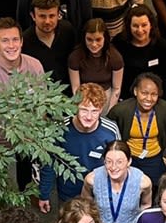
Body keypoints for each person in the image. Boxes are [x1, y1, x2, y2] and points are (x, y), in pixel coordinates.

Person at [38, 84, 121, 213]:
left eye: (94, 111)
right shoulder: (59, 129)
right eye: (84, 110)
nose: (89, 117)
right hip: (68, 193)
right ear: (75, 107)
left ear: (101, 110)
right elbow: (49, 163)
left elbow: (119, 164)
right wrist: (44, 194)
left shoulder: (110, 131)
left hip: (100, 194)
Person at [83, 140, 153, 223]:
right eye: (109, 161)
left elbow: (146, 206)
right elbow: (86, 206)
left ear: (129, 161)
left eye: (119, 162)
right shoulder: (92, 179)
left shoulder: (143, 182)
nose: (113, 167)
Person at [107, 72, 166, 185]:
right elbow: (108, 130)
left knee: (155, 190)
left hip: (155, 158)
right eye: (144, 93)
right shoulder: (121, 110)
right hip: (129, 157)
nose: (149, 98)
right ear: (136, 91)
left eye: (154, 94)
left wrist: (165, 157)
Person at [114, 5, 166, 102]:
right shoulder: (119, 44)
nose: (140, 30)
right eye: (135, 26)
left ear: (151, 25)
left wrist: (163, 100)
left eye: (144, 25)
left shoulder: (161, 45)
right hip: (127, 97)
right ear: (129, 26)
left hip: (153, 97)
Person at [23, 0, 76, 89]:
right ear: (33, 16)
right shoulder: (25, 42)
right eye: (42, 16)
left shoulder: (67, 30)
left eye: (51, 16)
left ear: (58, 15)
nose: (47, 21)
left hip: (69, 90)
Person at [68, 18, 124, 111]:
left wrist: (111, 111)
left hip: (107, 97)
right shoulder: (75, 57)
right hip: (84, 96)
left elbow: (116, 89)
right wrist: (81, 107)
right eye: (89, 39)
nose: (94, 44)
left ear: (105, 38)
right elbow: (75, 88)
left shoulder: (115, 57)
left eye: (98, 40)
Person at [0, 17, 44, 86]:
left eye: (15, 39)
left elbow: (44, 95)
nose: (11, 46)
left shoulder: (35, 66)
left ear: (21, 42)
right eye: (5, 40)